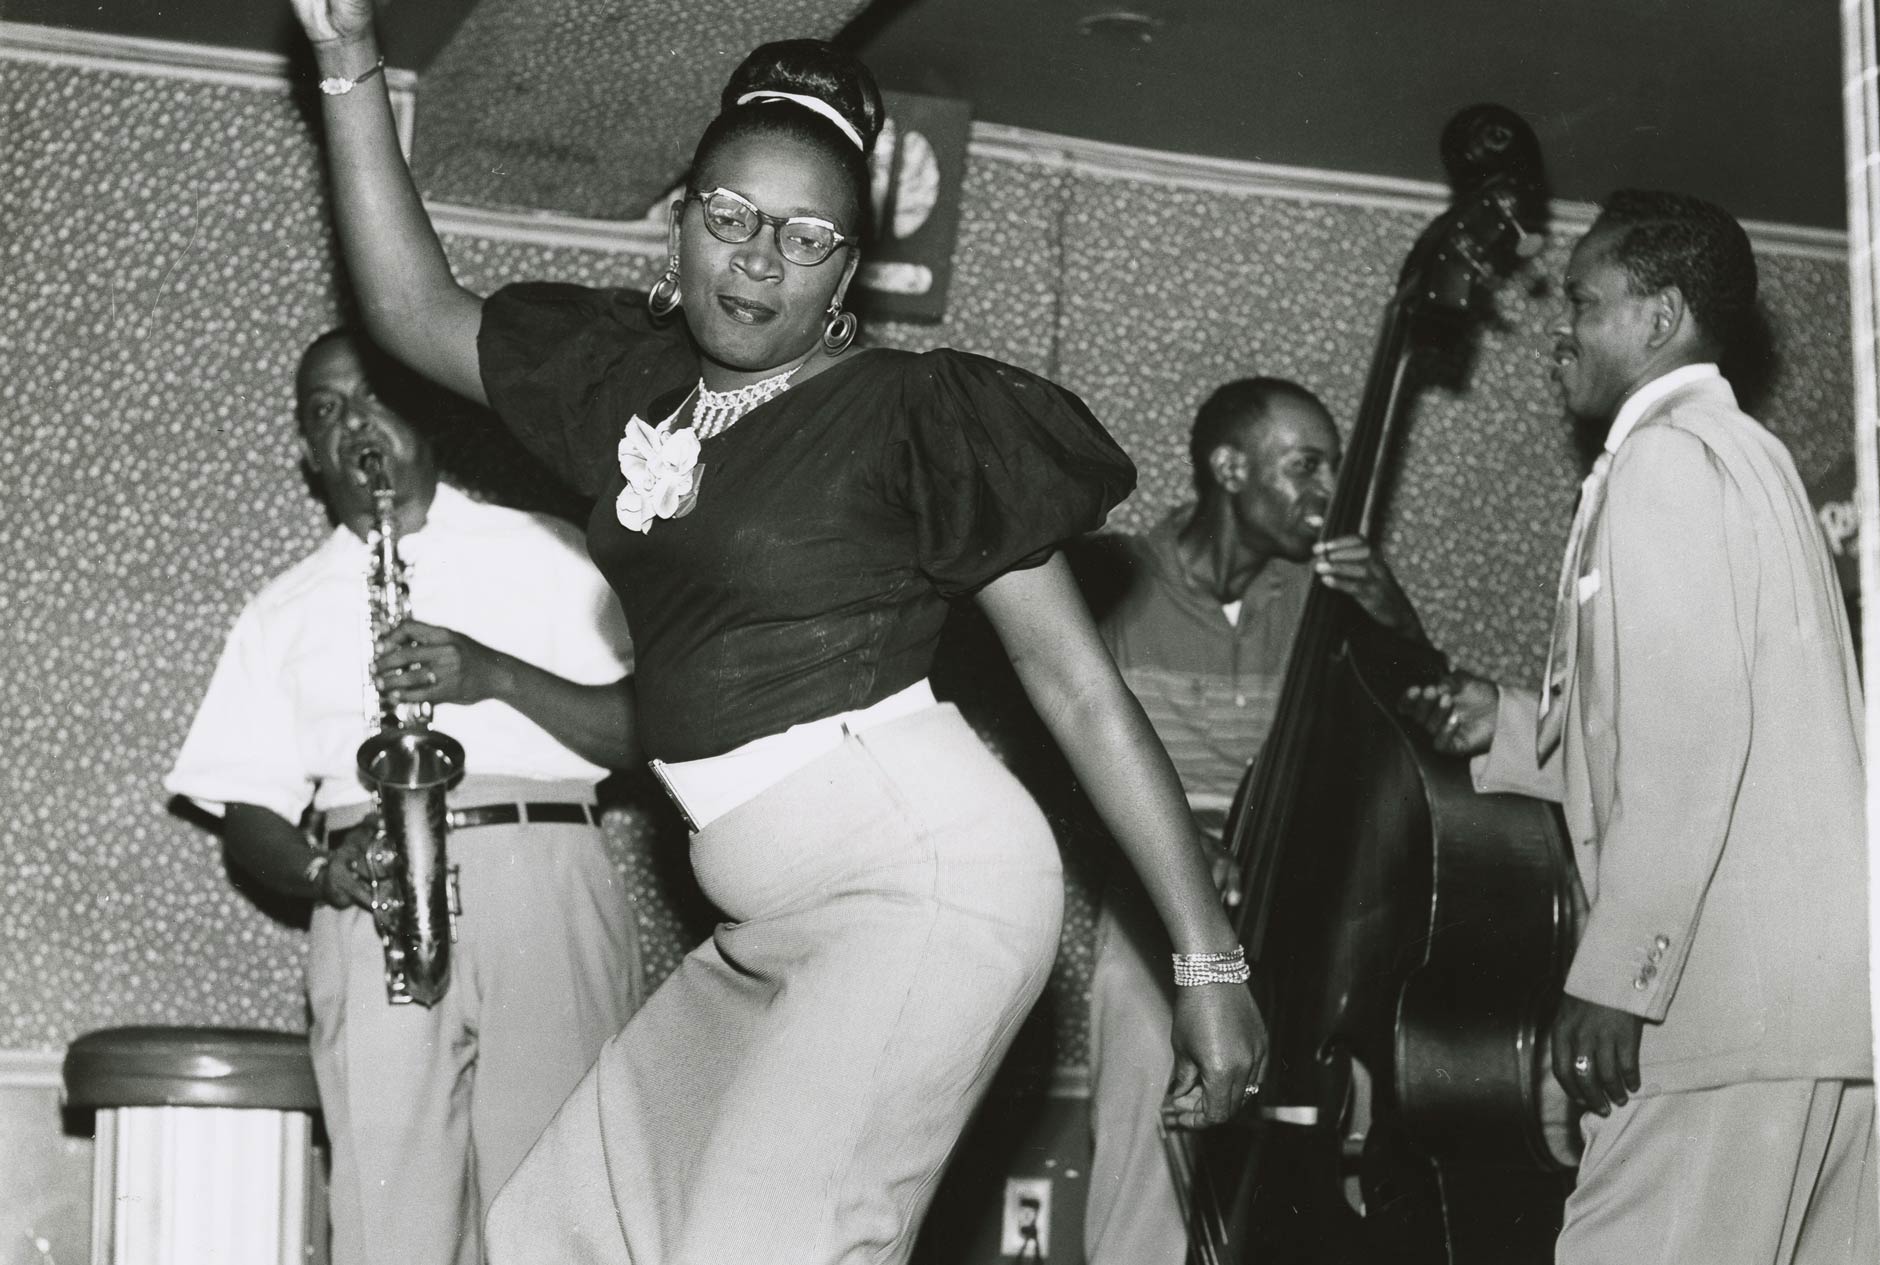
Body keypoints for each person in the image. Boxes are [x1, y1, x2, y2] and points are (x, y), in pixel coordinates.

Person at [287, 2, 1268, 1261]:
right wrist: (347, 57)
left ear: (848, 274)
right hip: (763, 928)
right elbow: (411, 305)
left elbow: (1078, 687)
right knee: (558, 1232)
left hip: (923, 886)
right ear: (682, 221)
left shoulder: (918, 420)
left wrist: (1207, 960)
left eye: (806, 239)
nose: (758, 262)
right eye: (732, 217)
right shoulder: (628, 387)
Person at [1401, 190, 1877, 1264]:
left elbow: (1690, 744)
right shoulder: (1749, 456)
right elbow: (1730, 714)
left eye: (1584, 298)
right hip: (1816, 1011)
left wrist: (1619, 976)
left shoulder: (1664, 464)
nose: (1559, 325)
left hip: (1721, 1014)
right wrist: (1513, 727)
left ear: (1659, 318)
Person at [166, 329, 645, 1265]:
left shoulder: (551, 551)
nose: (353, 424)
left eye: (372, 396)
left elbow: (644, 733)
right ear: (308, 454)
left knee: (567, 1216)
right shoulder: (281, 608)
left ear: (426, 412)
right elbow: (245, 813)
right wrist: (321, 867)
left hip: (543, 878)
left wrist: (494, 674)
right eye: (324, 411)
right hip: (374, 896)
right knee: (391, 1226)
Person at [1082, 377, 1423, 1265]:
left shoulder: (1319, 600)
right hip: (1164, 888)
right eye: (1306, 466)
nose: (1329, 492)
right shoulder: (1118, 586)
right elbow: (1067, 764)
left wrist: (1393, 619)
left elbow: (1422, 724)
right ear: (1229, 468)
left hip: (1300, 896)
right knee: (1136, 1004)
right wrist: (1174, 839)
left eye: (1334, 469)